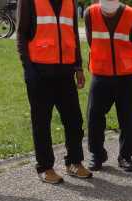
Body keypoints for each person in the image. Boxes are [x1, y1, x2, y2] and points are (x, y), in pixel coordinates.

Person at [17, 0, 91, 184]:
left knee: (74, 120)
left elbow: (73, 35)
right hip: (39, 71)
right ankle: (45, 167)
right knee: (41, 122)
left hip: (65, 72)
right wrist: (28, 68)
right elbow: (21, 34)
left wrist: (78, 67)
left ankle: (74, 162)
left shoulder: (69, 2)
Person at [85, 0, 132, 172]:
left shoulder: (131, 14)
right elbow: (91, 40)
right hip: (101, 74)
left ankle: (125, 156)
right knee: (94, 116)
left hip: (128, 75)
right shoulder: (90, 13)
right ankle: (97, 154)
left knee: (128, 117)